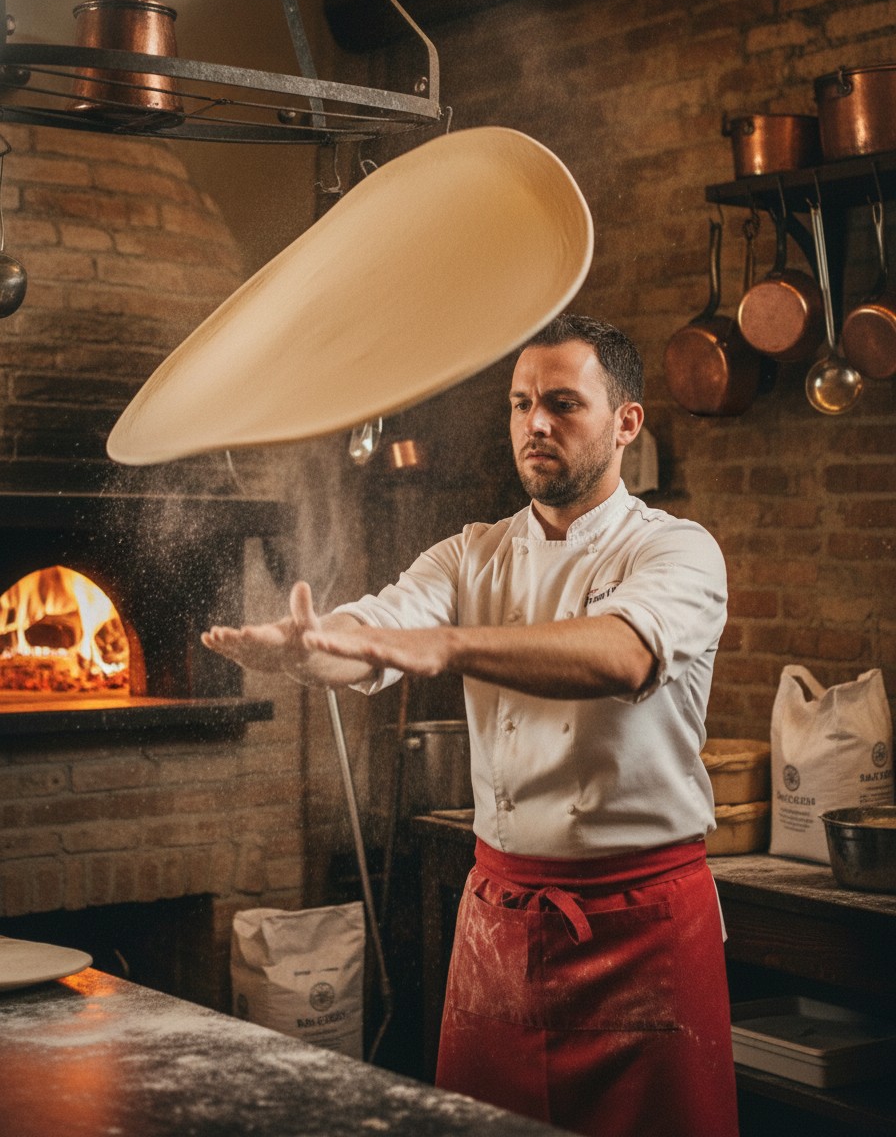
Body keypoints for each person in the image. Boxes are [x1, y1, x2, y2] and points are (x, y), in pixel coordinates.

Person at [202, 313, 740, 1137]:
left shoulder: (676, 550)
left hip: (642, 926)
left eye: (563, 403)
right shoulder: (470, 554)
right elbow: (378, 633)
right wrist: (312, 651)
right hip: (501, 921)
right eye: (521, 403)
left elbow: (623, 654)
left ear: (627, 422)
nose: (535, 424)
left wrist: (442, 645)